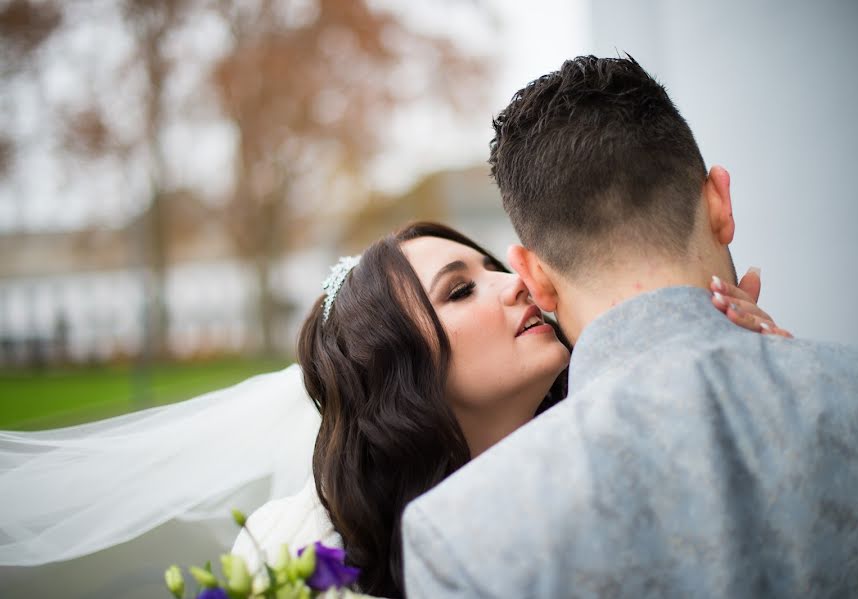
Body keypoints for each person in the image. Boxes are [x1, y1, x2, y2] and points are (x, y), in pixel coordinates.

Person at [401, 55, 858, 597]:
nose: (507, 292)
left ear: (533, 276)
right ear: (720, 203)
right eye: (457, 291)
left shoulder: (462, 535)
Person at [233, 221, 786, 598]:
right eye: (459, 291)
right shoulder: (302, 549)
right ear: (396, 372)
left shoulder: (628, 437)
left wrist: (758, 375)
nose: (517, 283)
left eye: (492, 267)